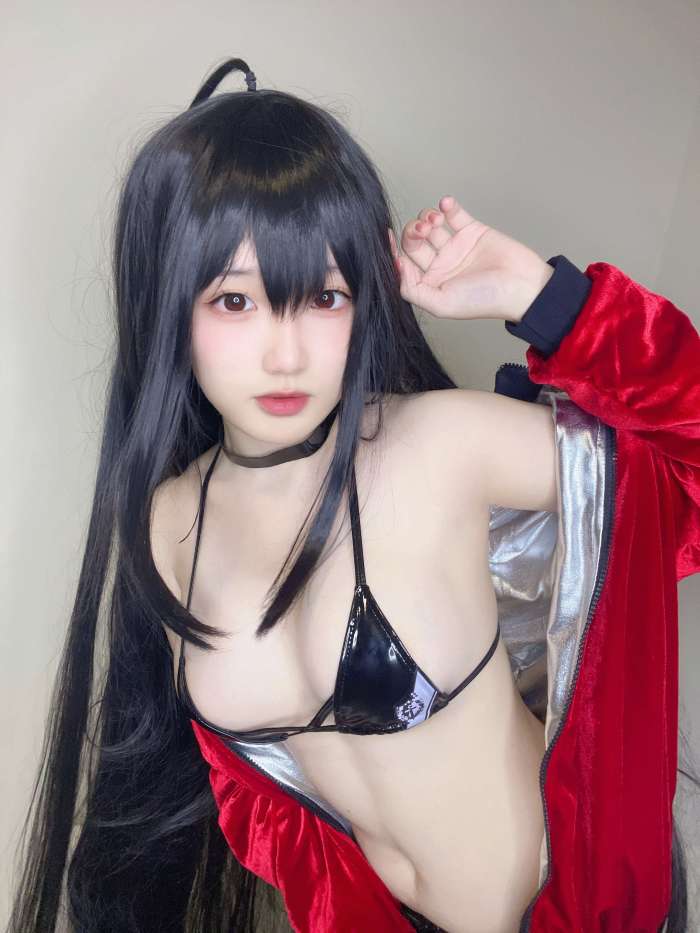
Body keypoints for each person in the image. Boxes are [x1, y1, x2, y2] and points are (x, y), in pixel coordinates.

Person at [7, 56, 699, 933]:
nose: (287, 354)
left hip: (573, 909)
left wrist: (544, 297)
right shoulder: (166, 523)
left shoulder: (434, 447)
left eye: (323, 297)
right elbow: (268, 809)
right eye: (234, 301)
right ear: (168, 304)